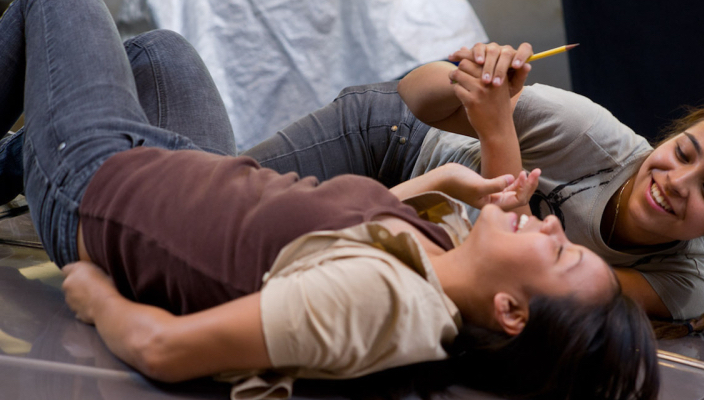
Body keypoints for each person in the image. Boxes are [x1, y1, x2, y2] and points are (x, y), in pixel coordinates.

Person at [0, 0, 658, 399]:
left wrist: (95, 294)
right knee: (160, 54)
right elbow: (331, 245)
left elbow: (163, 349)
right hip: (175, 164)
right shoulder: (443, 273)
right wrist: (439, 182)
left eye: (563, 257)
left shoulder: (384, 302)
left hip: (96, 189)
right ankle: (18, 160)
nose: (553, 231)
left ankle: (35, 162)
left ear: (511, 312)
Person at [239, 43, 704, 338]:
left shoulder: (686, 282)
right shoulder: (587, 131)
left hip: (419, 217)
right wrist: (472, 72)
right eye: (682, 152)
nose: (674, 182)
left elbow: (525, 283)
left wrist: (496, 129)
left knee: (239, 246)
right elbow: (413, 94)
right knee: (225, 204)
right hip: (387, 141)